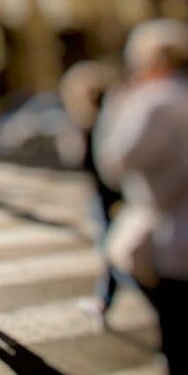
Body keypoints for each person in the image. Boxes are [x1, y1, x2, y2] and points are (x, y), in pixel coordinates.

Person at [94, 18, 188, 375]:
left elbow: (113, 163)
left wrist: (118, 103)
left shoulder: (156, 100)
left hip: (182, 249)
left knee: (179, 359)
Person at [60, 60, 125, 325]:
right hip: (113, 194)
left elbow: (82, 161)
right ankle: (105, 297)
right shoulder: (113, 119)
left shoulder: (91, 125)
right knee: (112, 246)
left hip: (107, 194)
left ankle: (105, 298)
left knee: (111, 247)